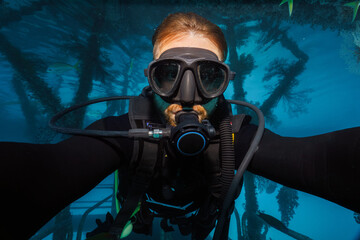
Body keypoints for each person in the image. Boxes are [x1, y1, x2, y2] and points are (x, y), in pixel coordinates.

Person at [1, 12, 359, 240]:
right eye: (169, 75)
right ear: (151, 78)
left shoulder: (237, 135)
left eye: (208, 77)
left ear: (225, 82)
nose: (188, 97)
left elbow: (321, 162)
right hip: (139, 221)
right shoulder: (123, 131)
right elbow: (43, 172)